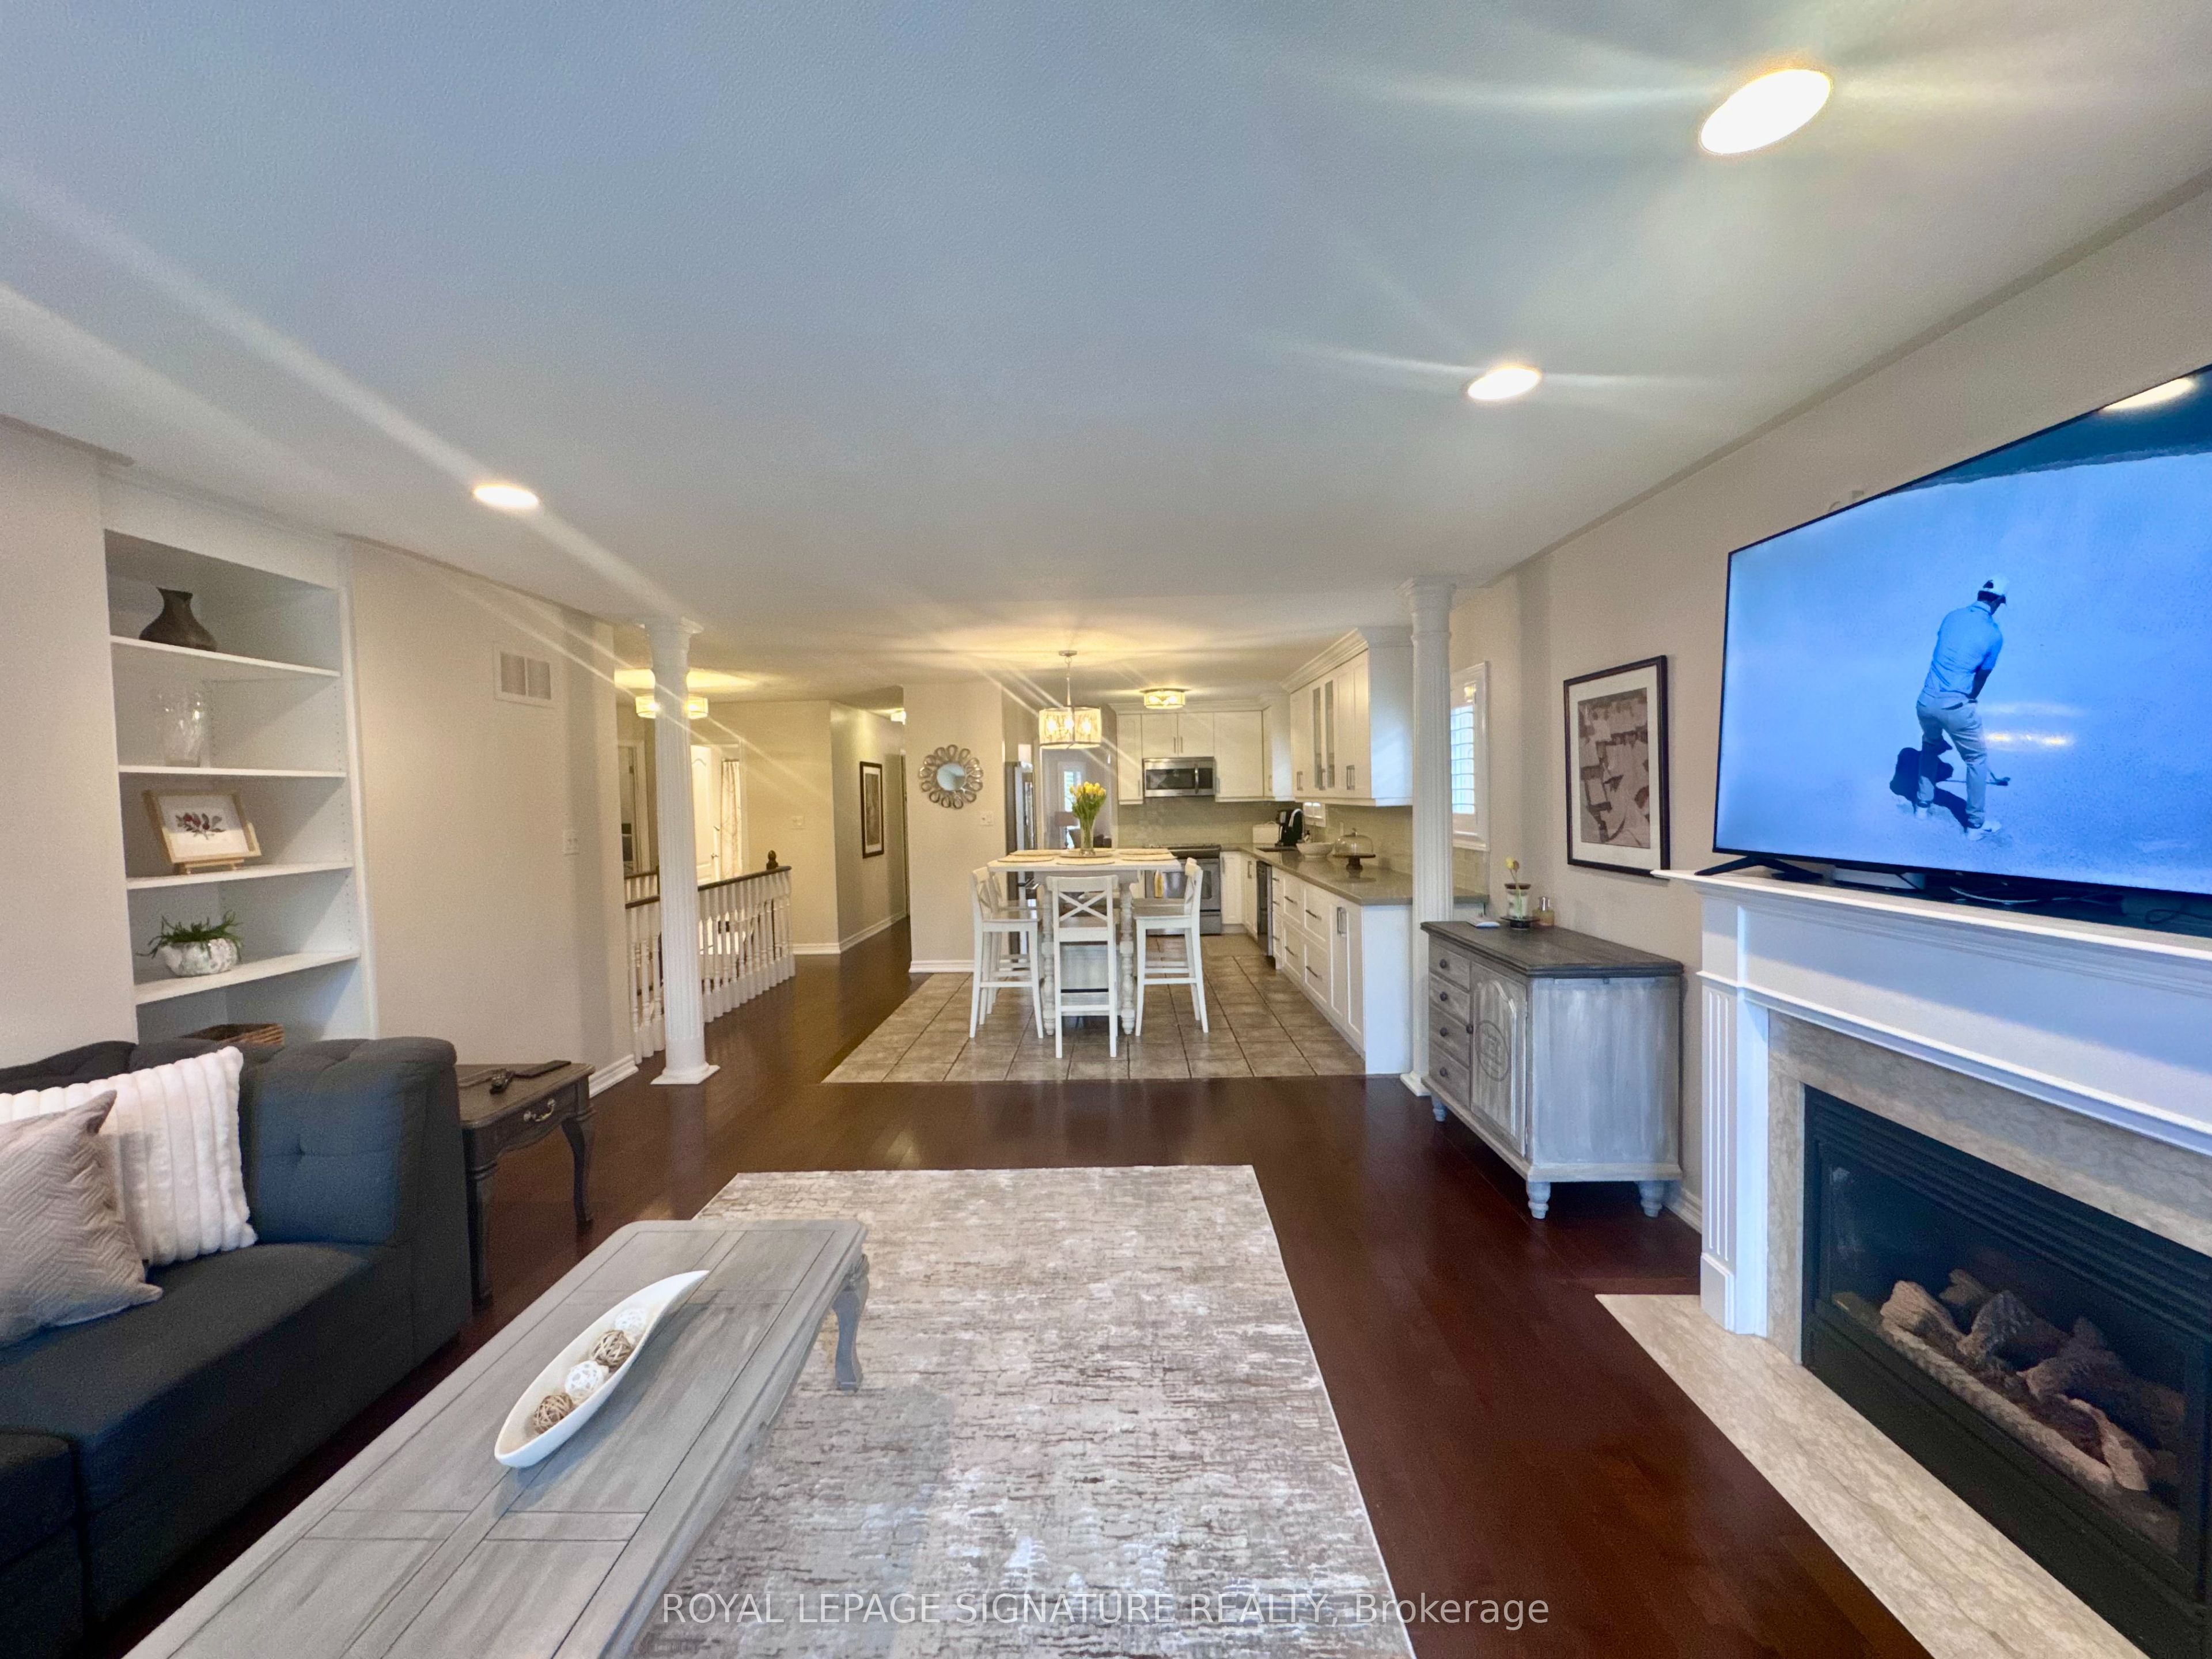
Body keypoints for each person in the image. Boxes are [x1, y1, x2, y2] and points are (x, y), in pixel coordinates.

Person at [1915, 577, 2006, 839]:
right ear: (1999, 601)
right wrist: (1971, 698)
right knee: (1976, 760)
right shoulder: (1994, 634)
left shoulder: (1952, 616)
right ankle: (1975, 826)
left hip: (1925, 702)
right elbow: (1982, 676)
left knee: (1930, 746)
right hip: (1956, 706)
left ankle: (1922, 808)